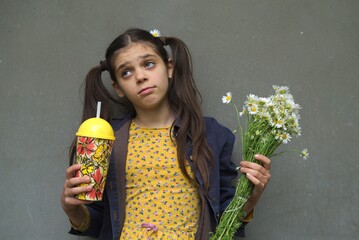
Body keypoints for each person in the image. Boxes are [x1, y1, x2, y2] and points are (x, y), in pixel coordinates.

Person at [61, 28, 271, 240]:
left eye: (148, 64)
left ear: (169, 67)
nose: (141, 77)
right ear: (118, 88)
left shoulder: (211, 135)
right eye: (126, 72)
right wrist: (74, 211)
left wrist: (250, 199)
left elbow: (224, 217)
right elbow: (101, 223)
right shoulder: (108, 139)